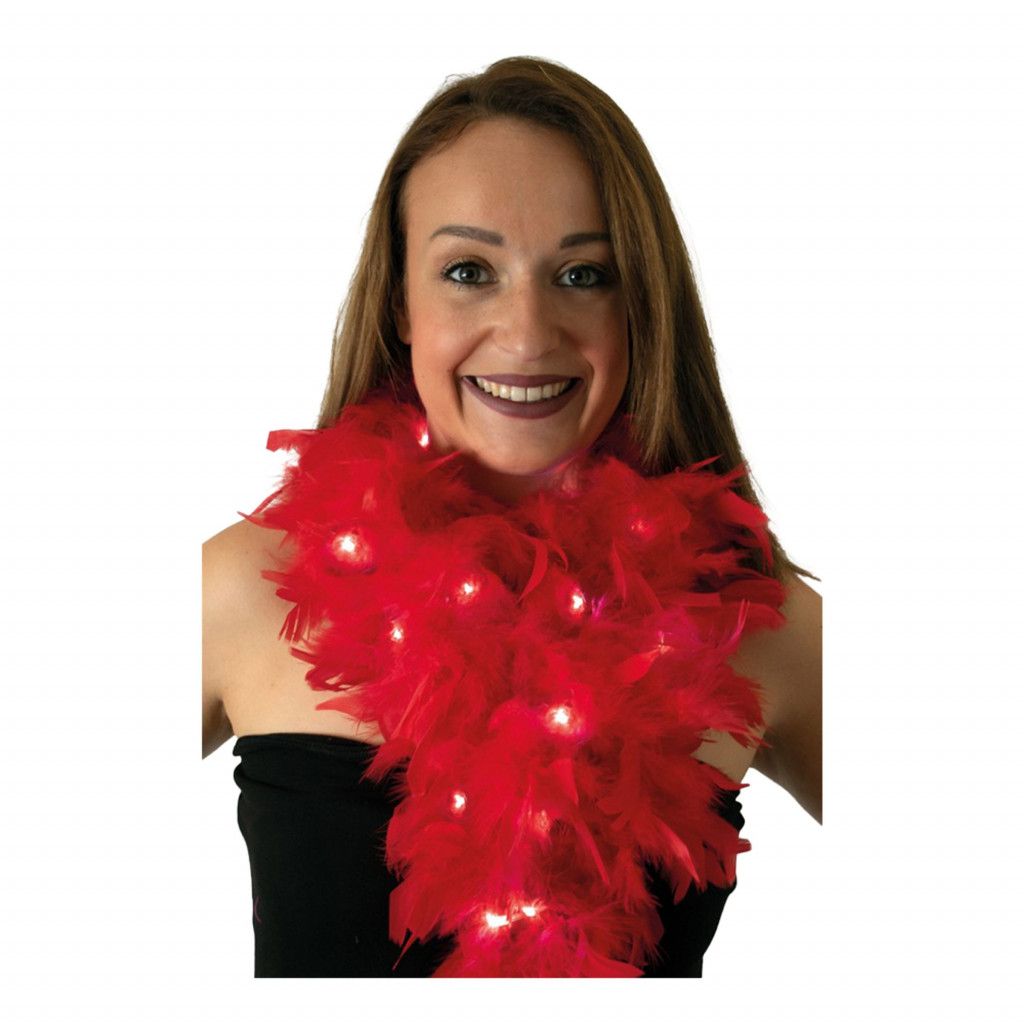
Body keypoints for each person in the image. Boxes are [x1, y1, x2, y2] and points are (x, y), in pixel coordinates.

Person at [202, 56, 822, 978]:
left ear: (640, 306)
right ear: (400, 303)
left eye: (583, 274)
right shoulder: (244, 589)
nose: (528, 333)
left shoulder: (750, 623)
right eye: (469, 271)